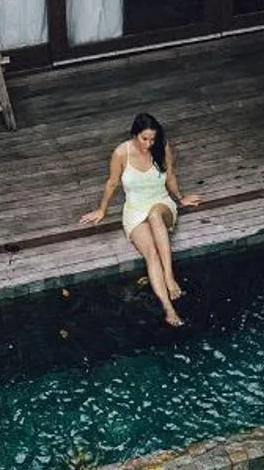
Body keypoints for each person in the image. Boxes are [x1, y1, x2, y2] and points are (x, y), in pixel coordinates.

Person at [78, 112, 202, 326]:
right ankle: (168, 308)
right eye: (145, 139)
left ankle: (169, 277)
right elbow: (112, 183)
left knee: (155, 215)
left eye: (152, 139)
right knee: (150, 253)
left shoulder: (162, 147)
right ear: (134, 134)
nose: (149, 144)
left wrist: (181, 198)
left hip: (162, 204)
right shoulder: (121, 153)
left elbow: (170, 175)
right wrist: (101, 210)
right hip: (134, 211)